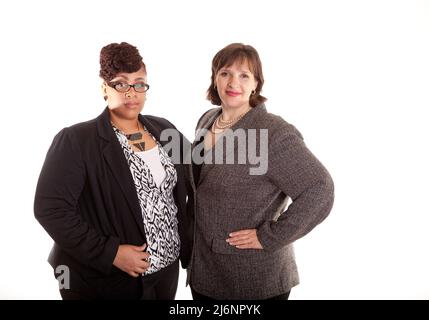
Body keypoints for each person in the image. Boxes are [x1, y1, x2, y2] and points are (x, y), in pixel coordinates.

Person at [34, 42, 192, 300]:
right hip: (106, 280)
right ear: (104, 88)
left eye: (139, 83)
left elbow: (203, 171)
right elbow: (51, 209)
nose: (132, 92)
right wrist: (111, 254)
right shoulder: (77, 140)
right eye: (121, 83)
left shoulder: (164, 130)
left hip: (165, 273)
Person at [187, 43, 335, 300]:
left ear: (256, 83)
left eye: (244, 75)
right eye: (225, 73)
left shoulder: (272, 132)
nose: (234, 82)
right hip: (205, 270)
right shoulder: (207, 119)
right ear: (215, 79)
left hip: (253, 278)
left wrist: (269, 236)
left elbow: (320, 188)